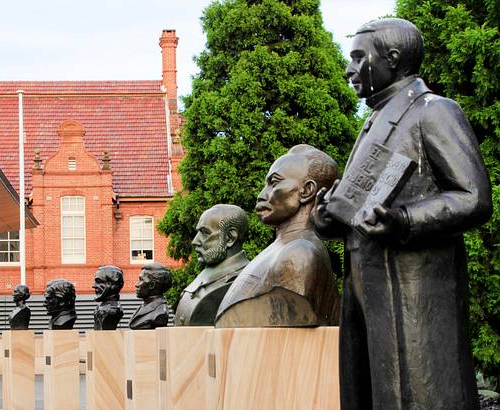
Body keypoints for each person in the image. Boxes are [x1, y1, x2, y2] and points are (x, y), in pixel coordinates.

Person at [314, 18, 491, 409]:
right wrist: (328, 214)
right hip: (366, 291)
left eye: (359, 58)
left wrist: (406, 220)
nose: (348, 69)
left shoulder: (434, 112)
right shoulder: (375, 120)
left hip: (414, 292)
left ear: (392, 59)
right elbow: (357, 200)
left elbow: (474, 196)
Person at [216, 145, 340, 327]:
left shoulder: (300, 254)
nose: (261, 195)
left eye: (274, 183)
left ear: (307, 191)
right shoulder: (278, 250)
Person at [174, 204, 250, 326]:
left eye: (205, 233)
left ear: (230, 237)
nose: (195, 241)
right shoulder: (204, 276)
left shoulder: (244, 281)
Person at [129, 263, 172, 330]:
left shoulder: (160, 312)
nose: (136, 285)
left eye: (141, 280)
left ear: (152, 285)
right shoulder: (144, 305)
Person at [92, 265, 125, 330]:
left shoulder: (112, 310)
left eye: (98, 281)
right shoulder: (102, 307)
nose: (94, 286)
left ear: (112, 285)